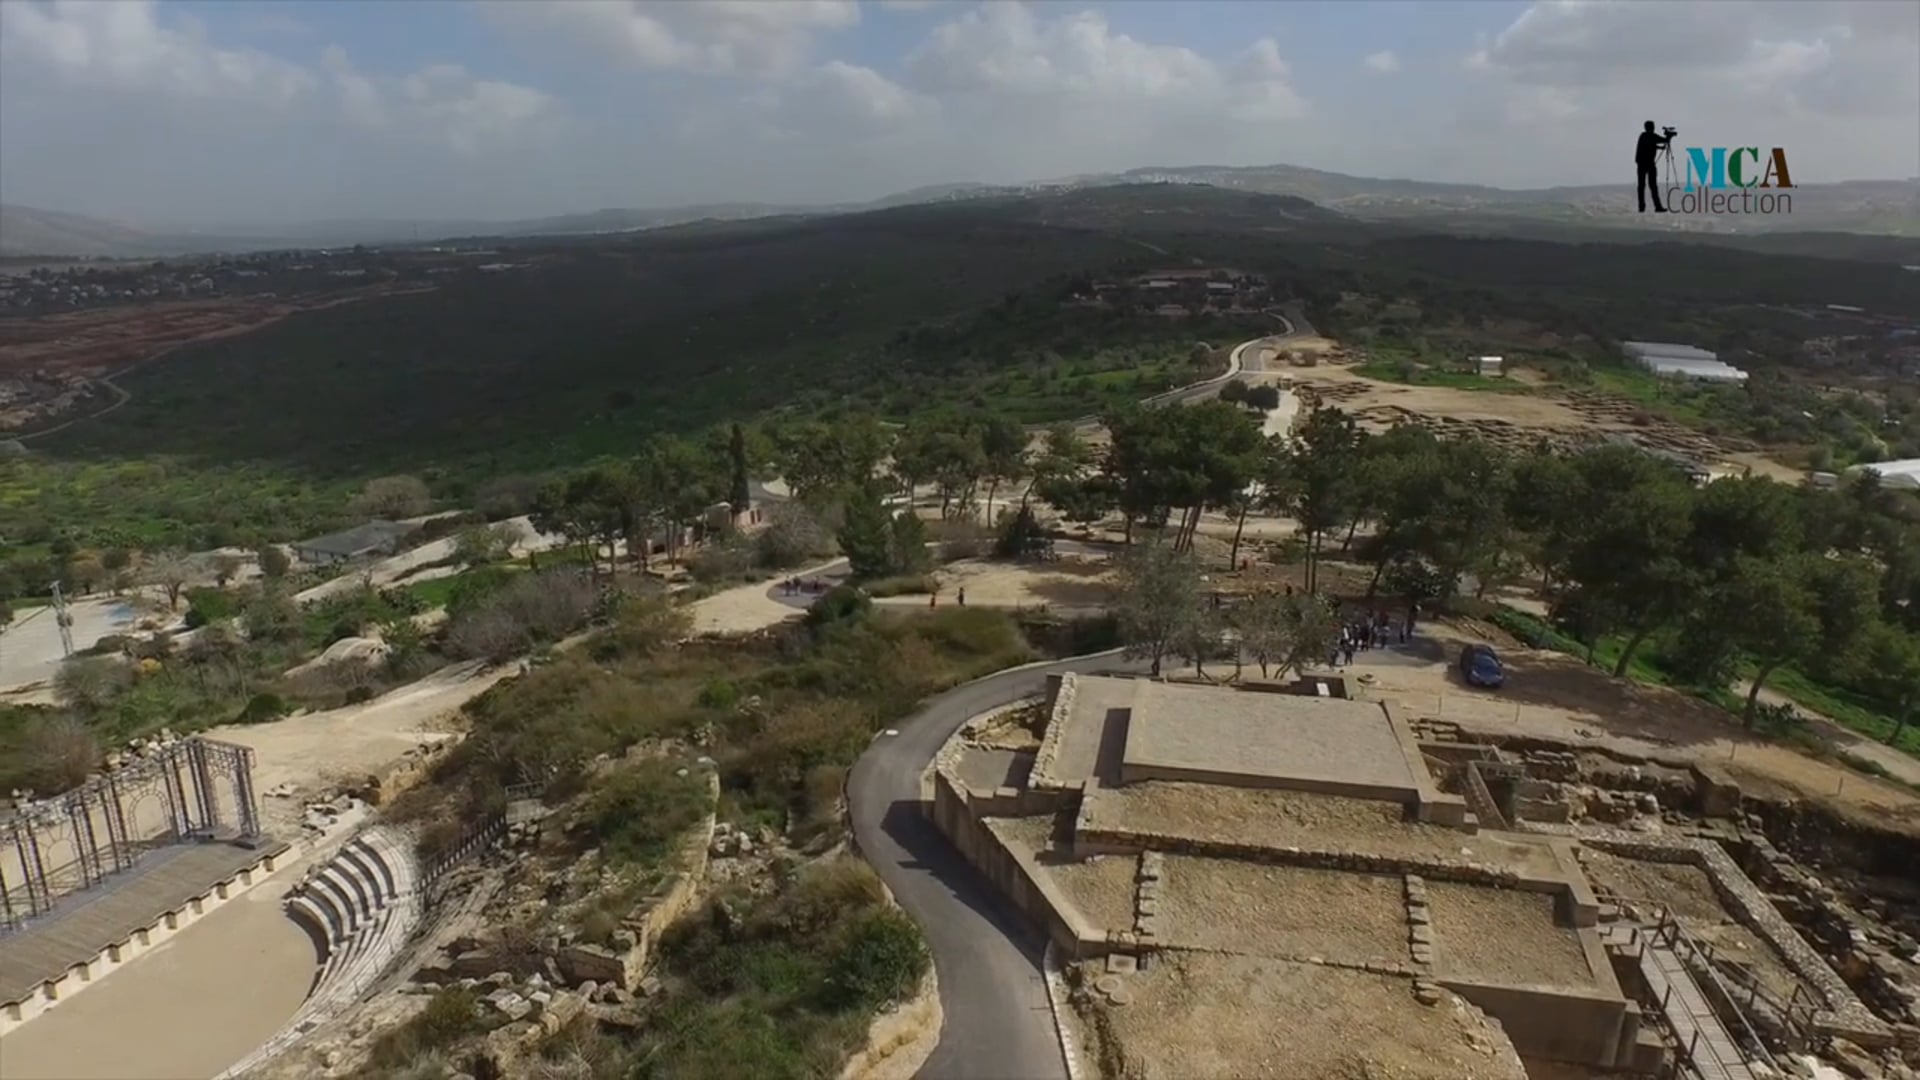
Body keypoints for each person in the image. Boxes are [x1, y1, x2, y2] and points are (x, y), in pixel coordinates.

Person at [1635, 121, 1673, 213]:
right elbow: (1663, 140)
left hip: (1641, 164)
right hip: (1648, 164)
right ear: (1651, 127)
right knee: (1652, 186)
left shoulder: (1643, 136)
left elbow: (1649, 144)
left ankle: (1642, 207)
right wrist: (1669, 137)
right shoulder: (1651, 136)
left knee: (1642, 186)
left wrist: (1659, 147)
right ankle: (1657, 206)